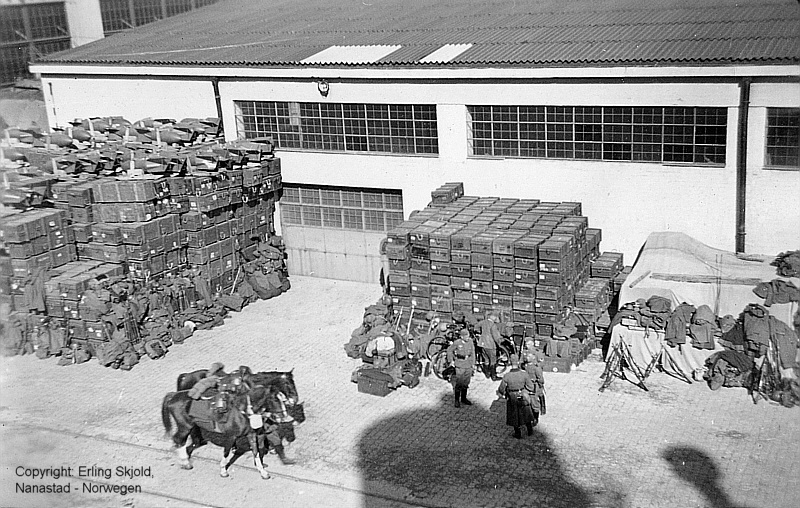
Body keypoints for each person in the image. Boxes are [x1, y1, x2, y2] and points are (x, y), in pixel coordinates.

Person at [497, 354, 537, 439]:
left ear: (510, 363)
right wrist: (524, 391)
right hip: (522, 395)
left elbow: (501, 389)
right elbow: (531, 387)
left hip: (512, 397)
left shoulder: (507, 376)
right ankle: (530, 430)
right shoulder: (524, 374)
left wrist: (505, 393)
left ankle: (517, 433)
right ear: (518, 362)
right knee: (526, 412)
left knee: (514, 414)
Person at [446, 328, 476, 408]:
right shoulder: (457, 343)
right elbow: (449, 350)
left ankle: (463, 398)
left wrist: (473, 363)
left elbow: (473, 352)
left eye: (468, 336)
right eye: (465, 336)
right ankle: (456, 400)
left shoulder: (470, 342)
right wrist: (451, 360)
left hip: (468, 365)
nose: (467, 338)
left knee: (466, 382)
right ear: (461, 337)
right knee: (459, 383)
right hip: (460, 365)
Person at [476, 313, 503, 380]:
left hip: (482, 344)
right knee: (493, 360)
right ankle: (493, 376)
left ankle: (487, 374)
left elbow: (475, 327)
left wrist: (480, 333)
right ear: (493, 318)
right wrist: (500, 342)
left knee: (486, 359)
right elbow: (496, 336)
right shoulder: (493, 325)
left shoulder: (483, 322)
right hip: (490, 345)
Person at [523, 352, 546, 424]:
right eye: (527, 355)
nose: (527, 357)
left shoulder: (536, 368)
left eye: (529, 356)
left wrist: (540, 384)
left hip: (534, 386)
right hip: (527, 385)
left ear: (533, 358)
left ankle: (536, 418)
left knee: (534, 402)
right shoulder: (525, 366)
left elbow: (541, 379)